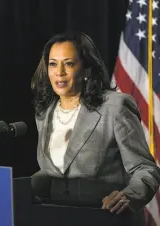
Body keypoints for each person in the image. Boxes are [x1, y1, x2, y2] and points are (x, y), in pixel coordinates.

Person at [30, 31, 160, 219]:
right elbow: (56, 170)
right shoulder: (45, 112)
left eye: (68, 63)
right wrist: (14, 187)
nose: (59, 72)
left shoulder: (115, 107)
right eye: (52, 64)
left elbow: (146, 169)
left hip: (105, 217)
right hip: (56, 216)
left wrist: (129, 196)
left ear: (86, 69)